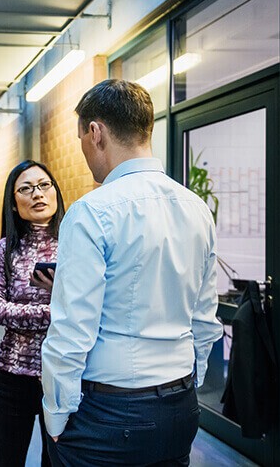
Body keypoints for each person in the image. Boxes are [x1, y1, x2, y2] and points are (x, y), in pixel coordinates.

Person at [41, 79, 223, 466]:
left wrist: (56, 411)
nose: (86, 154)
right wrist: (190, 381)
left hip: (111, 413)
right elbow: (205, 319)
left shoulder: (91, 212)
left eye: (81, 141)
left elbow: (72, 329)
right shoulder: (197, 209)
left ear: (96, 132)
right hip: (180, 406)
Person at [0, 160, 65, 467]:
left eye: (44, 185)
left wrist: (59, 302)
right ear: (14, 204)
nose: (37, 194)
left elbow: (96, 307)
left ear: (55, 192)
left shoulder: (77, 245)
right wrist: (55, 310)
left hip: (63, 375)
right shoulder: (3, 250)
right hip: (12, 377)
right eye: (26, 189)